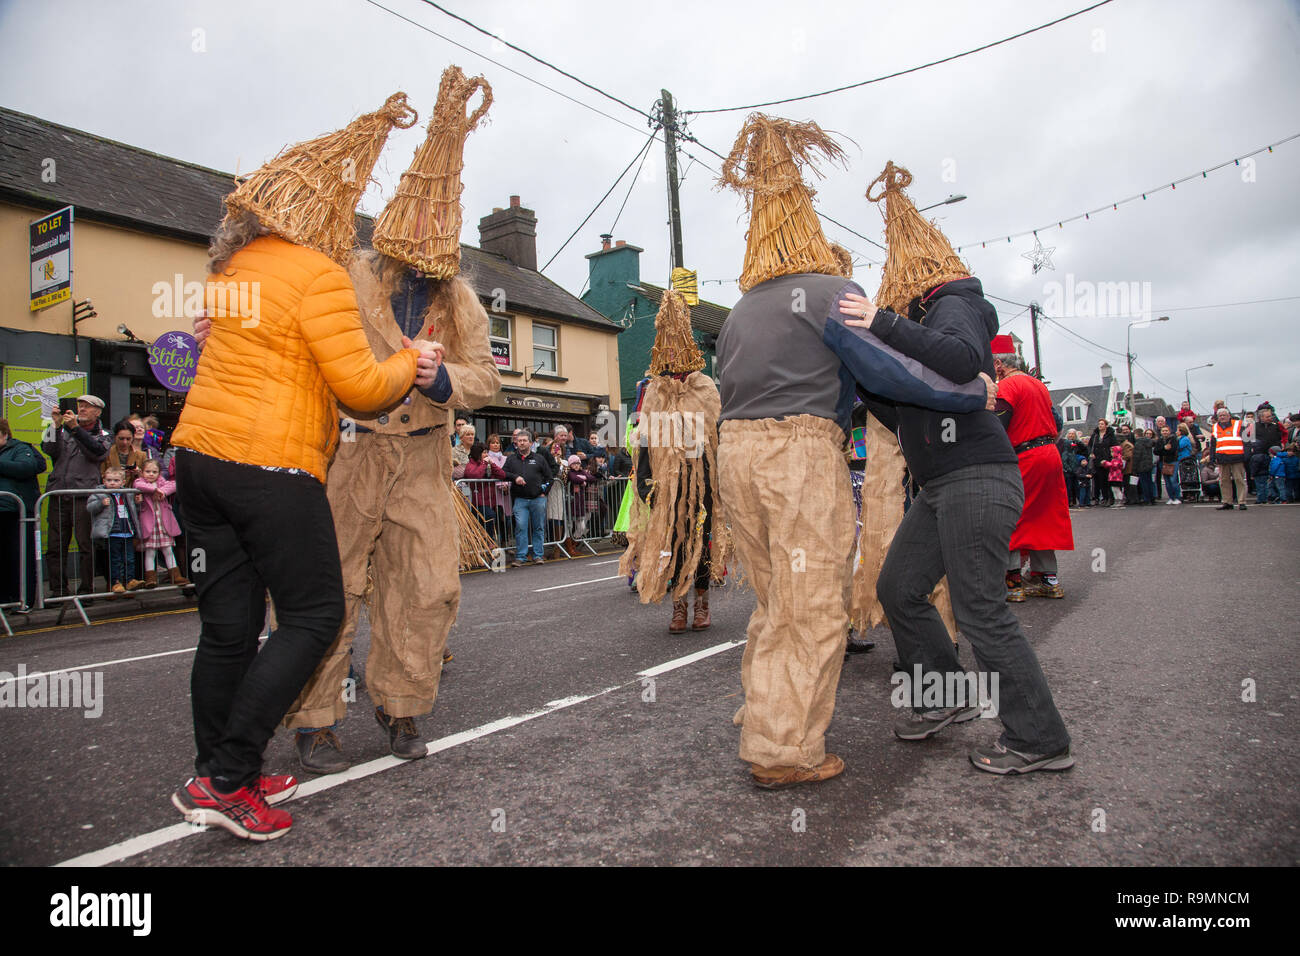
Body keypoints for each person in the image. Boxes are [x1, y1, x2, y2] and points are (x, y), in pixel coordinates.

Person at [168, 91, 437, 840]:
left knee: (227, 629)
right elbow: (359, 389)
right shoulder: (316, 273)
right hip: (270, 468)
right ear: (322, 214)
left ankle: (216, 771)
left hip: (199, 462)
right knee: (316, 613)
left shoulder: (234, 271)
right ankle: (229, 779)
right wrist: (413, 360)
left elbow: (274, 363)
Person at [715, 131, 998, 790]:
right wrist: (969, 390)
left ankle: (763, 711)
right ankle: (784, 752)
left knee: (773, 598)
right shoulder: (827, 290)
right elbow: (890, 374)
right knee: (812, 606)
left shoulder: (739, 310)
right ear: (808, 223)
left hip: (735, 456)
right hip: (798, 456)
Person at [280, 68, 500, 774]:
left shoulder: (461, 302)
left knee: (428, 586)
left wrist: (445, 379)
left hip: (424, 461)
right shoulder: (345, 273)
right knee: (330, 587)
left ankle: (400, 705)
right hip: (348, 453)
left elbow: (487, 380)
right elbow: (300, 345)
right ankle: (313, 718)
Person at [845, 160, 1071, 775]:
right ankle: (946, 700)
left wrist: (884, 325)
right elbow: (905, 411)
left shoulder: (955, 300)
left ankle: (1039, 739)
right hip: (941, 484)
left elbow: (962, 357)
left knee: (979, 610)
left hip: (976, 476)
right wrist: (864, 374)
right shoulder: (922, 320)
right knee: (899, 588)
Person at [620, 289, 728, 634]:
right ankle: (679, 607)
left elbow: (714, 432)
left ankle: (702, 603)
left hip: (704, 481)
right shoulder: (653, 390)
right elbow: (646, 439)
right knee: (674, 543)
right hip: (667, 484)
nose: (669, 356)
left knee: (701, 538)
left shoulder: (705, 386)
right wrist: (645, 480)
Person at [990, 337, 1074, 600]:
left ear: (999, 364)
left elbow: (998, 426)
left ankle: (1013, 581)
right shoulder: (1038, 384)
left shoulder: (1007, 385)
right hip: (1049, 453)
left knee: (1012, 515)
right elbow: (1056, 422)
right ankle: (1047, 578)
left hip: (1025, 456)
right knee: (1044, 514)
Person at [42, 395, 110, 598]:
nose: (81, 410)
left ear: (97, 412)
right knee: (55, 546)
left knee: (85, 546)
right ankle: (58, 590)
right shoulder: (62, 429)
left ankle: (86, 590)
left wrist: (75, 429)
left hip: (83, 496)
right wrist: (55, 425)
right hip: (59, 494)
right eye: (79, 406)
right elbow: (47, 448)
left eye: (87, 407)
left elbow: (97, 453)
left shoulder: (104, 434)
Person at [0, 418, 47, 608]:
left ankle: (24, 600)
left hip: (17, 511)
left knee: (20, 556)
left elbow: (26, 467)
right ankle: (5, 599)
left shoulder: (19, 448)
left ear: (5, 434)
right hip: (3, 511)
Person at [86, 467, 144, 595]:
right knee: (115, 559)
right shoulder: (99, 493)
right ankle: (115, 582)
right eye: (109, 480)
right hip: (112, 532)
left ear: (123, 482)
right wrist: (101, 503)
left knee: (129, 559)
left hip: (127, 531)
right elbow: (90, 508)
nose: (112, 483)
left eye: (116, 480)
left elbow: (134, 511)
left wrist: (138, 503)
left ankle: (130, 580)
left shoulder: (127, 493)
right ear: (104, 480)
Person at [134, 459, 189, 588]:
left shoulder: (161, 483)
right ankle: (150, 578)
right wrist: (154, 490)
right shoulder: (140, 482)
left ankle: (175, 575)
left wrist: (162, 491)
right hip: (150, 525)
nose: (151, 474)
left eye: (154, 472)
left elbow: (173, 484)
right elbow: (138, 485)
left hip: (163, 524)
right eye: (148, 471)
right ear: (142, 472)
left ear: (159, 473)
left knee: (168, 550)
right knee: (150, 552)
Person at [504, 429, 552, 565]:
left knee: (538, 527)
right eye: (519, 441)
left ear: (530, 443)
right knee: (520, 527)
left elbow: (549, 477)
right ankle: (520, 557)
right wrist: (515, 477)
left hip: (538, 499)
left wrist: (544, 492)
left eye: (525, 440)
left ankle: (538, 555)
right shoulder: (511, 459)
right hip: (520, 499)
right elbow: (503, 473)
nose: (522, 443)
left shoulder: (539, 459)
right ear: (516, 443)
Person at [1205, 406, 1248, 510]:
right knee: (1224, 481)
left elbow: (1247, 441)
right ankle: (1227, 502)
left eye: (1224, 415)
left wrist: (1246, 455)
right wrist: (1212, 458)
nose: (1222, 417)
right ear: (1217, 417)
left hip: (1237, 457)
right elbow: (1213, 445)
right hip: (1222, 458)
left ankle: (1241, 502)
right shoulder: (1215, 427)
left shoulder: (1238, 425)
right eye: (1220, 416)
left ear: (1229, 416)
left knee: (1239, 479)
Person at [103, 420, 149, 488]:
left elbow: (148, 479)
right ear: (115, 437)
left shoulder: (141, 455)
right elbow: (101, 475)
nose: (125, 442)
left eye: (128, 439)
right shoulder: (106, 453)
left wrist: (138, 474)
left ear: (133, 438)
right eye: (121, 439)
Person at [1087, 418, 1118, 506]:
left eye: (1102, 424)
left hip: (1107, 459)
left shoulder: (1110, 435)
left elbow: (1114, 446)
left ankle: (1110, 498)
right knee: (1100, 480)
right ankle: (1104, 498)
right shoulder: (1095, 435)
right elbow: (1089, 446)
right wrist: (1091, 453)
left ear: (1106, 425)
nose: (1100, 425)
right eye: (1099, 424)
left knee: (1108, 480)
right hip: (1097, 459)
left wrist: (1110, 457)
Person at [1156, 425, 1182, 504]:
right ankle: (1171, 497)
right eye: (1163, 431)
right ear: (1161, 432)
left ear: (1169, 431)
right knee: (1167, 481)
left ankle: (1177, 497)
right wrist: (1164, 448)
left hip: (1172, 461)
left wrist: (1164, 451)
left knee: (1173, 480)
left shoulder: (1173, 439)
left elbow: (1173, 450)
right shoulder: (1159, 441)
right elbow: (1156, 451)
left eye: (1166, 431)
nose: (1165, 432)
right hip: (1163, 462)